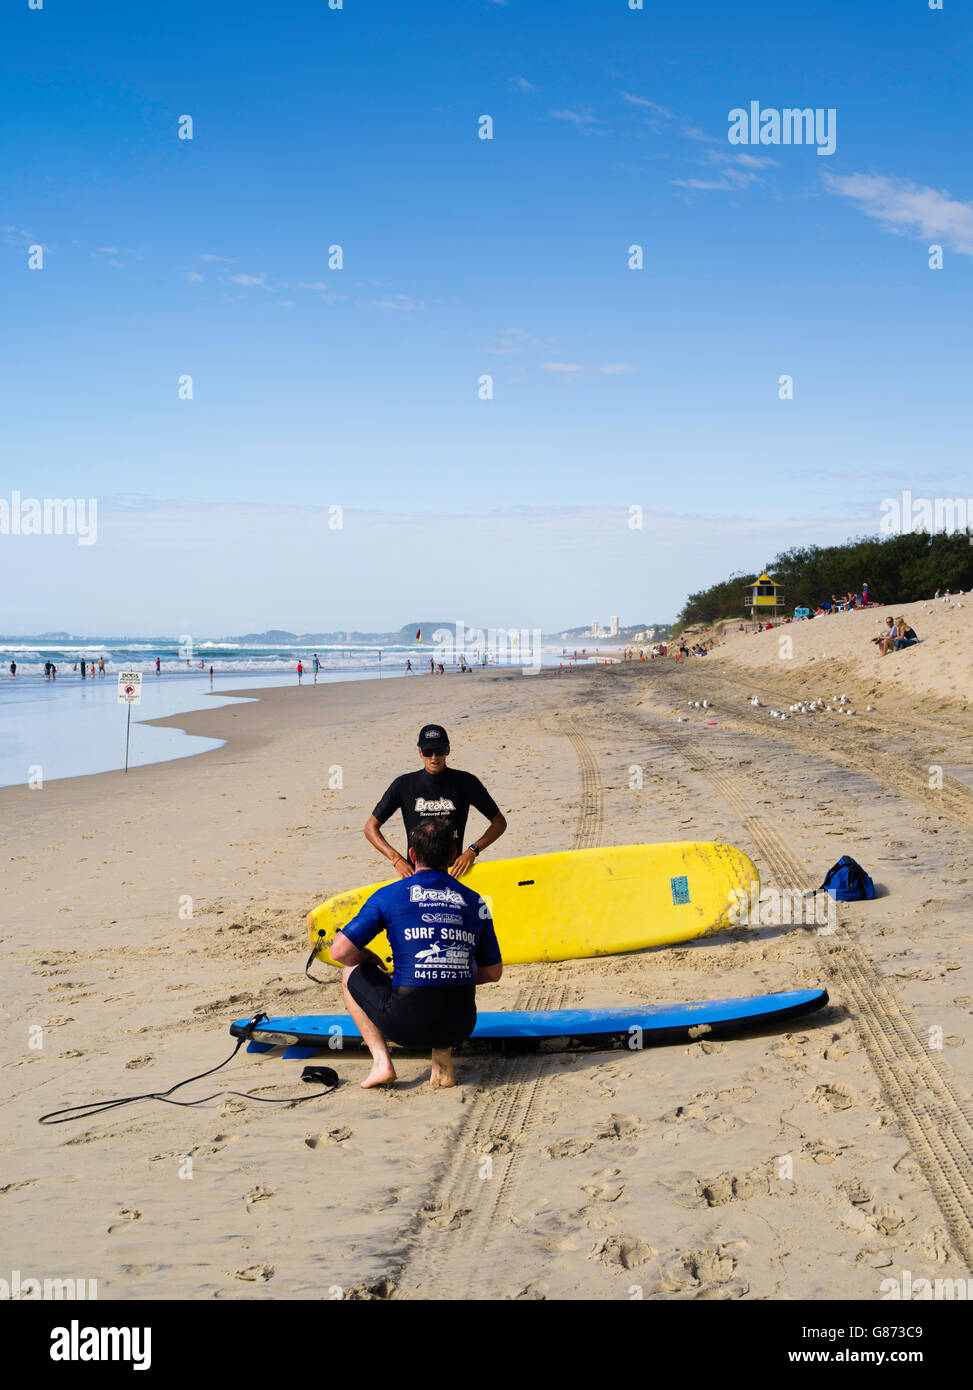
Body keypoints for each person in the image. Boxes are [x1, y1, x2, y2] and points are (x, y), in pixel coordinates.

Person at [329, 819, 503, 1088]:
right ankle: (443, 1060)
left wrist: (367, 957)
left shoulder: (389, 895)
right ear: (453, 855)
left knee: (350, 971)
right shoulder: (476, 900)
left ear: (412, 854)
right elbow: (493, 973)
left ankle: (381, 1064)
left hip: (406, 1026)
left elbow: (339, 952)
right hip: (460, 1025)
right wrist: (450, 965)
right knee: (453, 974)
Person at [364, 723, 507, 880]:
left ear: (447, 750)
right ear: (420, 752)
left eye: (438, 750)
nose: (434, 756)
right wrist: (396, 859)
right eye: (428, 751)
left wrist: (472, 851)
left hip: (454, 874)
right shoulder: (403, 785)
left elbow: (499, 823)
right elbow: (370, 827)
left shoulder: (466, 782)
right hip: (415, 875)